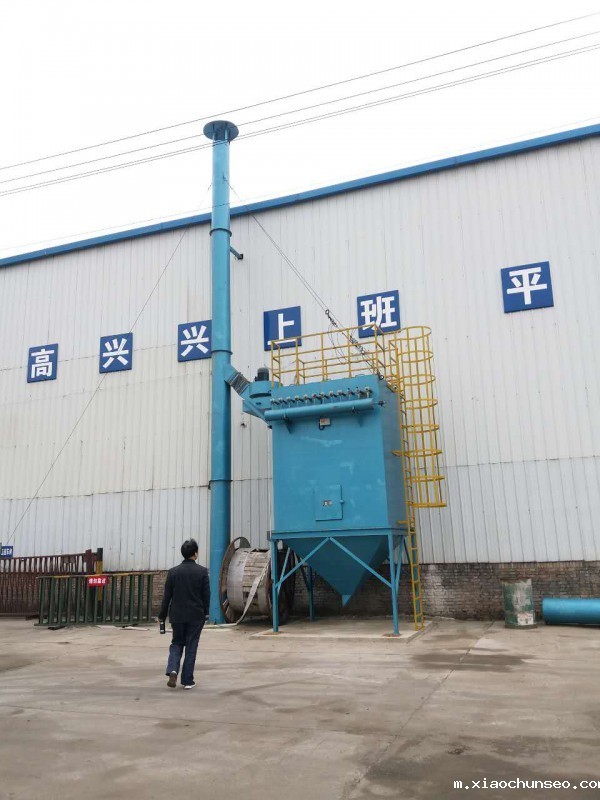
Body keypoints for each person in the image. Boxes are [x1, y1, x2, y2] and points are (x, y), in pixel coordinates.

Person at [158, 539, 210, 689]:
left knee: (177, 643)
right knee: (191, 646)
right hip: (196, 615)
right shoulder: (202, 572)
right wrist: (206, 613)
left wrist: (162, 615)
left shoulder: (173, 572)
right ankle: (187, 681)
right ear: (195, 553)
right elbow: (206, 595)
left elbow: (167, 596)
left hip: (177, 615)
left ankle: (173, 669)